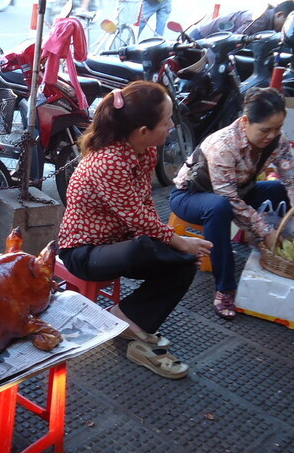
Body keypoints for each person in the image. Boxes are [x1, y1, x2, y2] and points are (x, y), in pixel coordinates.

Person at [58, 81, 212, 380]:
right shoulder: (110, 161)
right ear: (143, 131)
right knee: (158, 247)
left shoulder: (145, 151)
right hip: (83, 251)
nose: (171, 125)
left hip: (120, 242)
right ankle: (129, 324)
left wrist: (177, 246)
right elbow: (137, 219)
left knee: (182, 263)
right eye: (166, 120)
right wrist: (178, 241)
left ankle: (130, 320)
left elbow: (145, 207)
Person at [168, 87, 294, 320]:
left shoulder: (277, 142)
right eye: (266, 130)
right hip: (191, 197)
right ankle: (224, 287)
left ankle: (282, 249)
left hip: (238, 192)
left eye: (278, 128)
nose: (272, 135)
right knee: (219, 207)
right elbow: (227, 197)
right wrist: (263, 229)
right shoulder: (224, 144)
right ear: (246, 121)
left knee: (280, 189)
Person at [187, 0, 294, 40]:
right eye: (286, 24)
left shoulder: (267, 16)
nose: (285, 29)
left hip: (208, 40)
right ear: (279, 15)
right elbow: (233, 42)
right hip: (200, 39)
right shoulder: (260, 20)